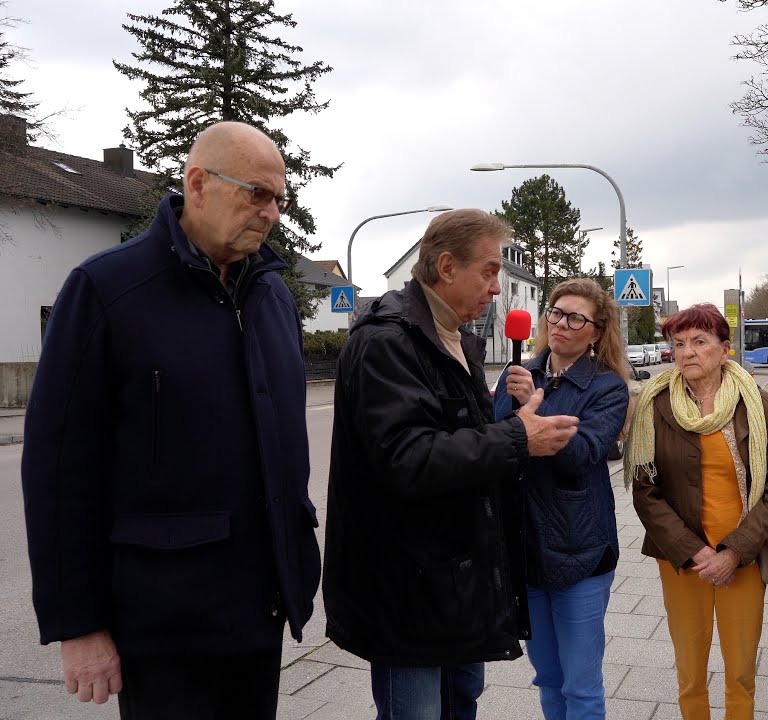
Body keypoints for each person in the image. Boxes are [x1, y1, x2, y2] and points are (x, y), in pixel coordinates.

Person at [21, 121, 321, 718]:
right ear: (198, 183)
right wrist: (78, 623)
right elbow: (59, 468)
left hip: (259, 610)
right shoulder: (108, 288)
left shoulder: (271, 296)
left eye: (279, 198)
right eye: (256, 193)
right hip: (163, 620)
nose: (271, 213)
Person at [323, 209, 581, 720]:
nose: (494, 288)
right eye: (488, 271)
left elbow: (465, 443)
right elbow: (407, 459)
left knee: (460, 704)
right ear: (445, 266)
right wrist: (516, 438)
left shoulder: (457, 340)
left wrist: (516, 428)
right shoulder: (388, 341)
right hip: (409, 589)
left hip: (456, 582)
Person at [626, 303, 768, 720]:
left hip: (743, 559)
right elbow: (646, 491)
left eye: (700, 342)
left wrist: (733, 552)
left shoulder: (763, 409)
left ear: (725, 348)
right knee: (689, 671)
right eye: (679, 343)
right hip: (683, 560)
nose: (687, 353)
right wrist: (696, 552)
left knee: (739, 672)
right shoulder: (654, 406)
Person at [493, 278, 631, 720]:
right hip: (526, 550)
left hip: (580, 552)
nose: (562, 324)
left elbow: (582, 454)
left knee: (581, 686)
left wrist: (528, 411)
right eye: (556, 312)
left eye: (576, 318)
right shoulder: (518, 374)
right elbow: (493, 446)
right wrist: (509, 410)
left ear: (596, 331)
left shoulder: (607, 388)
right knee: (548, 677)